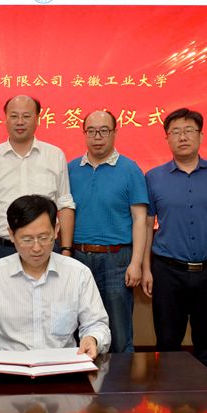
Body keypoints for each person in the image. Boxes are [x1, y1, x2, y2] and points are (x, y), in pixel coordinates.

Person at [0, 195, 110, 361]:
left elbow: (96, 324)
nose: (37, 248)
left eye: (44, 237)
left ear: (56, 230)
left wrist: (92, 339)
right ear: (11, 234)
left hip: (61, 367)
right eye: (27, 239)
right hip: (9, 368)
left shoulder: (78, 273)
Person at [142, 108, 207, 373]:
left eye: (189, 131)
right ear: (167, 138)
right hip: (167, 271)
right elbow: (146, 225)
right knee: (167, 343)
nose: (182, 137)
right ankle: (169, 396)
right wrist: (146, 268)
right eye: (175, 132)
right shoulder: (153, 177)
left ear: (201, 135)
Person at [68, 109, 148, 353]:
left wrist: (136, 263)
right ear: (84, 134)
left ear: (115, 133)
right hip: (78, 258)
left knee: (119, 331)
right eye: (91, 131)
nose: (97, 137)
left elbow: (140, 219)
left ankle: (121, 377)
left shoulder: (130, 169)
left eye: (104, 131)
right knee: (76, 329)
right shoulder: (70, 169)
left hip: (117, 259)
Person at [0, 95, 75, 273]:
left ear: (37, 119)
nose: (20, 122)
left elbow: (65, 204)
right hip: (2, 249)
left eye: (26, 116)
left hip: (46, 249)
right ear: (5, 119)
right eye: (14, 116)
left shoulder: (54, 155)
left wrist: (66, 250)